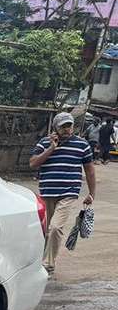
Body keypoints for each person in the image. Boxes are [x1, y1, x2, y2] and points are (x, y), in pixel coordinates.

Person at [29, 112, 96, 275]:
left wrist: (92, 193)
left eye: (69, 125)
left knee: (55, 227)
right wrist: (52, 148)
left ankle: (48, 264)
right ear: (56, 128)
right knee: (46, 229)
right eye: (63, 126)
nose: (67, 129)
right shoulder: (45, 143)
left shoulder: (82, 145)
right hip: (48, 191)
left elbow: (90, 170)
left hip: (69, 192)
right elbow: (33, 163)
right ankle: (42, 259)